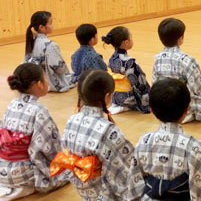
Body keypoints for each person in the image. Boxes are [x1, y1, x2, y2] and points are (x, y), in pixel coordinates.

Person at [126, 78, 201, 200]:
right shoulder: (195, 148)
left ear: (153, 111)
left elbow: (134, 183)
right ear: (187, 109)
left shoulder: (144, 141)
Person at [50, 69, 134, 200]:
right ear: (107, 97)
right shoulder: (108, 131)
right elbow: (125, 170)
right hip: (106, 192)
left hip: (85, 189)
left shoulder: (72, 120)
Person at [0, 63, 69, 200]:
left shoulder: (12, 104)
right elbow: (49, 147)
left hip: (3, 168)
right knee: (69, 171)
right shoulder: (39, 110)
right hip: (23, 173)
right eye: (45, 78)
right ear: (39, 84)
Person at [152, 18, 201, 123]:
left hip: (164, 108)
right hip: (183, 108)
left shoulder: (157, 58)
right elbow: (199, 89)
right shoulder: (187, 60)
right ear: (181, 38)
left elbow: (155, 83)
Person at [102, 26, 150, 115]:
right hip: (129, 98)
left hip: (115, 96)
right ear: (126, 42)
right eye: (131, 37)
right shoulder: (130, 61)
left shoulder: (111, 58)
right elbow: (140, 84)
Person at [24, 11, 74, 92]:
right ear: (42, 27)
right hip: (50, 81)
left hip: (37, 78)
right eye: (50, 23)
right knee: (75, 75)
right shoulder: (50, 45)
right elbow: (60, 68)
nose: (52, 25)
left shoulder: (32, 41)